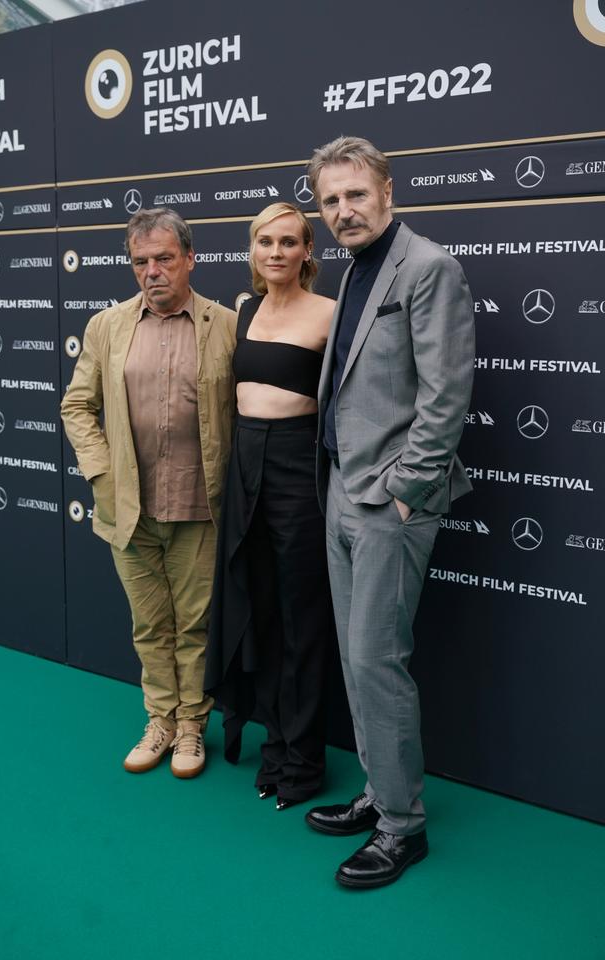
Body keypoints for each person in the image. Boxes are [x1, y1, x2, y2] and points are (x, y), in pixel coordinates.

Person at [304, 137, 475, 888]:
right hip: (343, 489)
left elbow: (446, 395)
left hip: (390, 502)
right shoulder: (355, 272)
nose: (343, 210)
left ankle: (403, 828)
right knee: (355, 656)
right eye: (330, 200)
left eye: (355, 194)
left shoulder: (429, 266)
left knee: (378, 660)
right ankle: (379, 794)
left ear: (387, 191)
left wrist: (406, 487)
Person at [61, 208, 236, 779]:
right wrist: (102, 474)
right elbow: (77, 406)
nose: (152, 271)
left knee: (195, 625)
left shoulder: (228, 326)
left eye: (164, 259)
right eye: (141, 262)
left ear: (190, 259)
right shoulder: (106, 326)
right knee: (149, 623)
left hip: (199, 505)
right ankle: (160, 719)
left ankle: (191, 727)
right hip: (127, 508)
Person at [205, 202, 335, 810]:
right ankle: (274, 741)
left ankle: (305, 761)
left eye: (288, 241)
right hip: (244, 465)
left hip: (297, 466)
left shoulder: (331, 314)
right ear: (251, 251)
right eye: (265, 241)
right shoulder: (245, 311)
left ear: (309, 251)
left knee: (301, 617)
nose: (276, 252)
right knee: (257, 605)